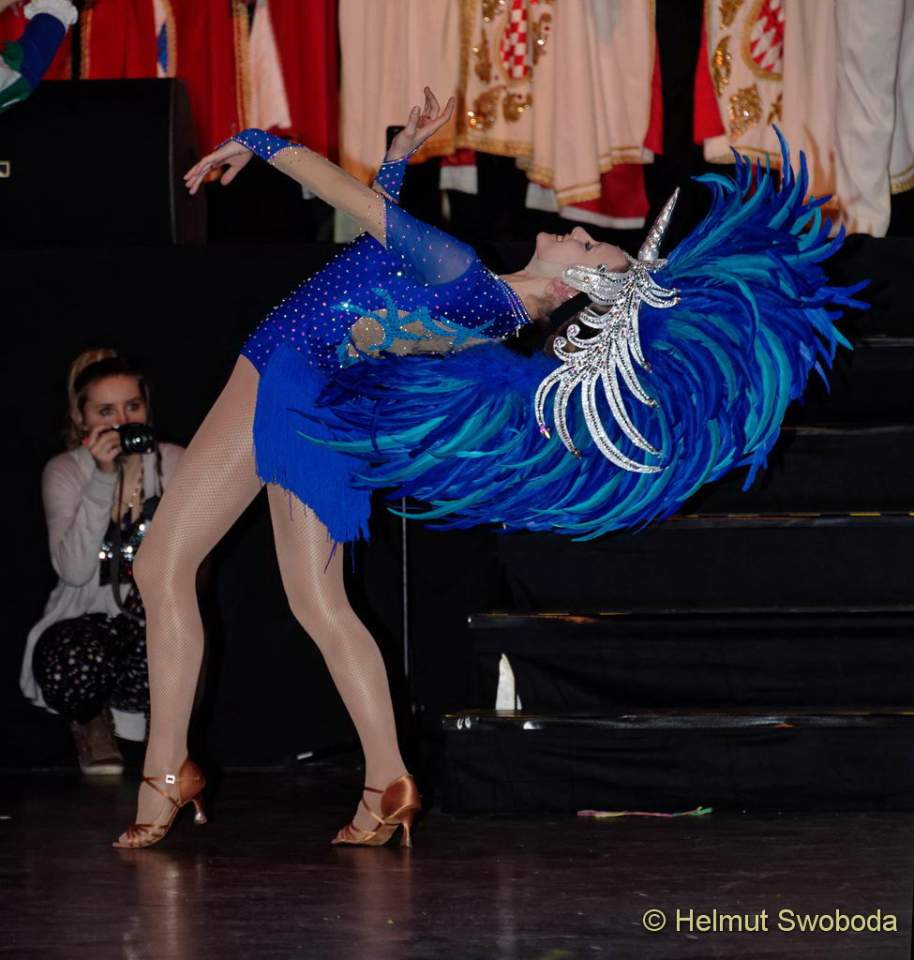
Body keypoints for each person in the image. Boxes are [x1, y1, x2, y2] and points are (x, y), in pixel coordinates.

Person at [115, 89, 862, 848]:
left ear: (575, 289)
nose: (577, 230)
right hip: (316, 402)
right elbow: (379, 248)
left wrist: (256, 138)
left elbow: (348, 203)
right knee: (312, 601)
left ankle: (167, 771)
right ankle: (383, 781)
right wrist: (399, 157)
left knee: (170, 569)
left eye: (588, 249)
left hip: (282, 376)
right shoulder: (489, 307)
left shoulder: (463, 273)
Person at [22, 349, 183, 775]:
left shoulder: (174, 461)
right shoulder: (65, 471)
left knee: (169, 623)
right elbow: (74, 571)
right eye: (106, 411)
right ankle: (91, 721)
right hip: (85, 638)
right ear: (81, 418)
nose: (122, 421)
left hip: (148, 631)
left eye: (133, 406)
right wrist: (102, 477)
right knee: (71, 652)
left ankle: (158, 732)